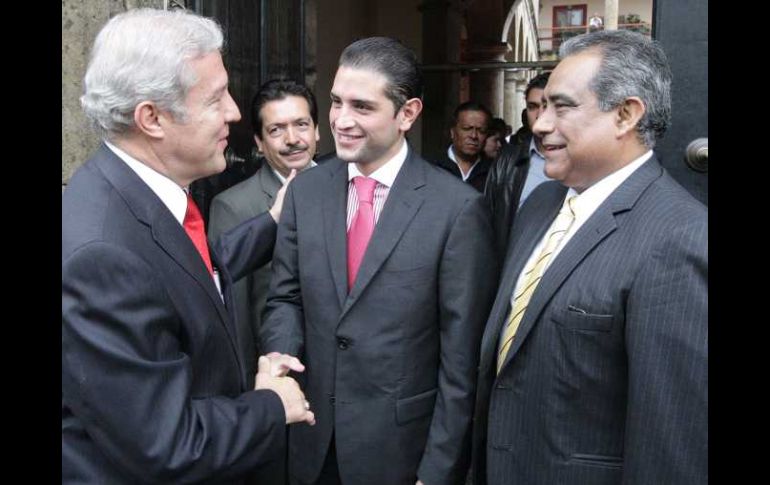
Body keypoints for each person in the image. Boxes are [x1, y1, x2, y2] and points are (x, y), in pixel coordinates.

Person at [62, 9, 315, 484]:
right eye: (216, 98)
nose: (235, 113)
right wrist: (270, 404)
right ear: (152, 118)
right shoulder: (102, 255)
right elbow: (168, 445)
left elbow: (188, 271)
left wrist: (274, 222)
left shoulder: (126, 192)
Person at [472, 30, 707, 485]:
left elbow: (671, 440)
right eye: (541, 108)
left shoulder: (680, 237)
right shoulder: (540, 207)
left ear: (626, 114)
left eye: (562, 107)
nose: (539, 124)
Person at [260, 36, 498, 485]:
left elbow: (461, 357)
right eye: (335, 102)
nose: (341, 121)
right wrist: (281, 353)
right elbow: (285, 299)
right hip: (310, 439)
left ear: (407, 113)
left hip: (401, 453)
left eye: (362, 107)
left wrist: (438, 469)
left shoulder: (456, 209)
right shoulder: (305, 192)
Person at [208, 79, 320, 383]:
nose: (293, 139)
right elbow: (236, 311)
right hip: (277, 373)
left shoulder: (347, 189)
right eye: (276, 129)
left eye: (301, 124)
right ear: (259, 142)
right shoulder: (233, 206)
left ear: (317, 130)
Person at [484, 72, 551, 256]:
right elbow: (489, 219)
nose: (539, 114)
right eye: (532, 107)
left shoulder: (580, 160)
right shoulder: (507, 160)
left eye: (546, 106)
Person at [434, 101, 493, 192]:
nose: (474, 135)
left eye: (481, 130)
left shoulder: (494, 171)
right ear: (452, 132)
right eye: (467, 128)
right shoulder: (432, 167)